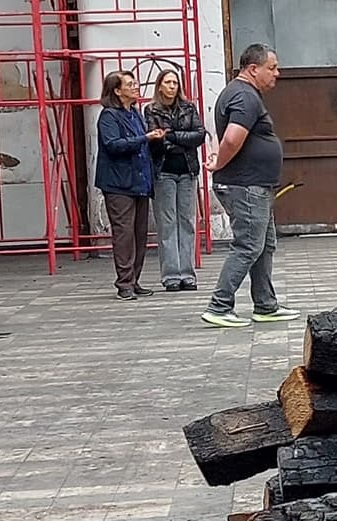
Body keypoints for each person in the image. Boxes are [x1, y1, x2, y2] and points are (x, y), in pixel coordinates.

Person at [203, 42, 285, 326]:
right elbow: (231, 138)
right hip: (245, 185)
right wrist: (219, 163)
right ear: (253, 69)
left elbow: (225, 135)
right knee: (248, 245)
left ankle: (265, 305)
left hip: (255, 185)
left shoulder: (241, 94)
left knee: (264, 244)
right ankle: (219, 306)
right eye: (272, 68)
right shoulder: (244, 96)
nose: (277, 73)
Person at [145, 63, 205, 291]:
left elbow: (199, 135)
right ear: (159, 86)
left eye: (175, 82)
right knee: (167, 223)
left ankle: (187, 274)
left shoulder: (188, 107)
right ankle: (171, 275)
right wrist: (180, 139)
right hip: (164, 170)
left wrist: (173, 136)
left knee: (187, 222)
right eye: (167, 82)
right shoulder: (151, 110)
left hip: (188, 170)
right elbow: (156, 140)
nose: (172, 86)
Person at [94, 70, 154, 299]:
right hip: (118, 183)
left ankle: (134, 279)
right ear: (117, 91)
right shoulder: (109, 116)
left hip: (140, 181)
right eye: (130, 84)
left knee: (139, 233)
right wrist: (145, 138)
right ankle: (124, 283)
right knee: (124, 233)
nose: (136, 86)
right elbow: (113, 144)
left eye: (135, 83)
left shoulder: (135, 113)